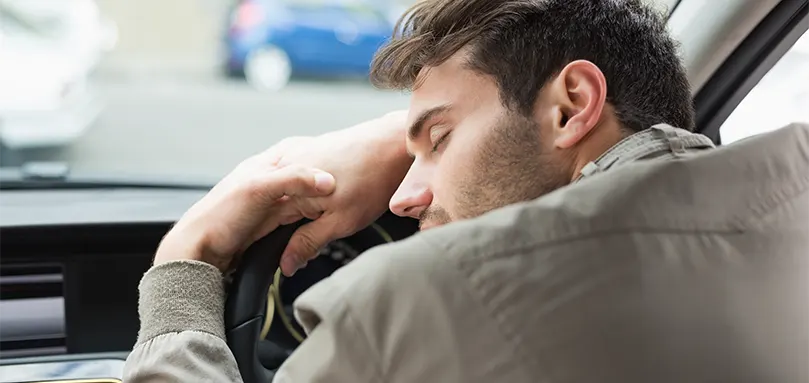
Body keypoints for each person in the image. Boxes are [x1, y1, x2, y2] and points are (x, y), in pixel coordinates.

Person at [121, 0, 809, 382]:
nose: (401, 198)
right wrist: (413, 135)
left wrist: (189, 263)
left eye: (439, 138)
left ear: (572, 106)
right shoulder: (792, 197)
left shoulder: (420, 303)